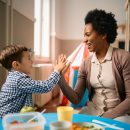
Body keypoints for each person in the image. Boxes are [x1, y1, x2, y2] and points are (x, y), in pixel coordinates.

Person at [58, 9, 130, 123]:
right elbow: (76, 98)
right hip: (92, 112)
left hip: (118, 115)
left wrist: (105, 117)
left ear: (103, 34)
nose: (84, 40)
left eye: (88, 35)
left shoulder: (124, 58)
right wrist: (59, 77)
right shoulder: (86, 64)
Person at [0, 44, 67, 118]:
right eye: (29, 58)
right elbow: (46, 86)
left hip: (15, 119)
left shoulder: (15, 77)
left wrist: (59, 72)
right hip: (7, 121)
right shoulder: (18, 80)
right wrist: (57, 70)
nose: (32, 61)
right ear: (16, 65)